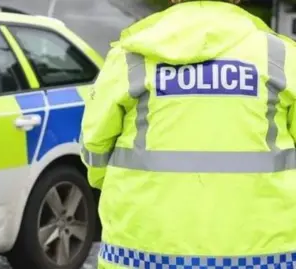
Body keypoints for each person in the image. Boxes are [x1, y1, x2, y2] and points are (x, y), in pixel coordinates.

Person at [80, 0, 296, 268]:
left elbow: (94, 149)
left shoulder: (132, 55)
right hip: (262, 257)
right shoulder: (280, 57)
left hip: (142, 254)